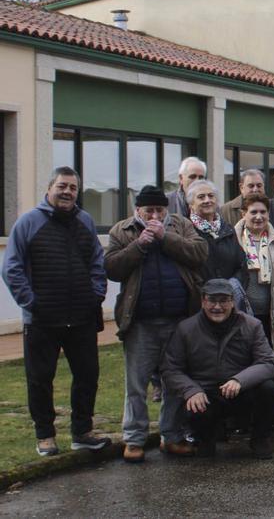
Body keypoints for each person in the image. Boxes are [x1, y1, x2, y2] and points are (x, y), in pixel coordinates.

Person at [3, 167, 111, 457]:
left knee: (87, 375)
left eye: (73, 188)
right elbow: (11, 268)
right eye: (62, 186)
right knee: (40, 378)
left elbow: (97, 263)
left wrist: (96, 294)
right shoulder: (28, 222)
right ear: (49, 188)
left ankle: (82, 432)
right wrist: (31, 302)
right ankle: (45, 436)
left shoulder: (85, 221)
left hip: (82, 317)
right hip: (42, 319)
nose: (67, 192)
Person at [105, 185, 208, 463]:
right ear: (137, 210)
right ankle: (134, 439)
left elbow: (199, 253)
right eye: (149, 210)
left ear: (167, 210)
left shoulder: (180, 224)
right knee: (136, 384)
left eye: (159, 210)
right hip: (140, 322)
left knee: (174, 381)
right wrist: (139, 246)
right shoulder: (122, 231)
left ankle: (170, 437)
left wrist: (165, 239)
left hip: (179, 319)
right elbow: (112, 268)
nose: (154, 215)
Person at [161, 278, 274, 459]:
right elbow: (171, 369)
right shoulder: (185, 329)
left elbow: (267, 363)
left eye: (223, 301)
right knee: (194, 405)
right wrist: (191, 390)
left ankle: (260, 438)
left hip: (240, 392)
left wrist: (240, 380)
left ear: (232, 301)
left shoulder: (252, 325)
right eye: (212, 301)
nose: (217, 306)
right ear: (203, 301)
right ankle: (206, 440)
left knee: (268, 389)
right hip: (206, 394)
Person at [234, 192, 274, 405]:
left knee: (273, 360)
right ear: (243, 214)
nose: (259, 216)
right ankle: (246, 414)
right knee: (244, 361)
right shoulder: (232, 239)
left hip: (273, 312)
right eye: (253, 212)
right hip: (243, 314)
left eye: (263, 212)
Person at [187, 180, 245, 282]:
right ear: (191, 204)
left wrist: (234, 284)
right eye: (201, 197)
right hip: (201, 295)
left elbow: (241, 264)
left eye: (211, 196)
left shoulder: (228, 229)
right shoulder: (187, 230)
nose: (207, 200)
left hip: (229, 294)